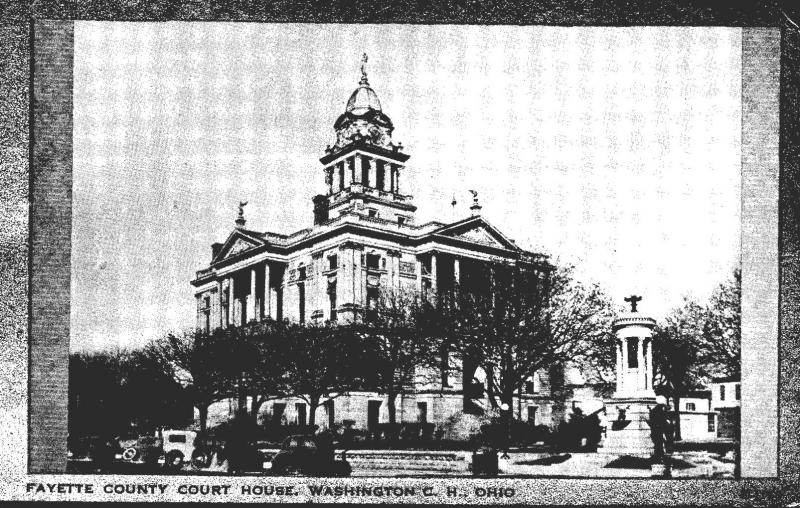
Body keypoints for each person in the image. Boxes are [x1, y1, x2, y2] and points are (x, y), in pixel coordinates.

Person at [648, 395, 669, 462]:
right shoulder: (660, 411)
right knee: (659, 445)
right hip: (659, 431)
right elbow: (663, 422)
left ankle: (658, 457)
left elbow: (651, 420)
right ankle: (659, 458)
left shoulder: (654, 410)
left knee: (658, 445)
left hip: (654, 430)